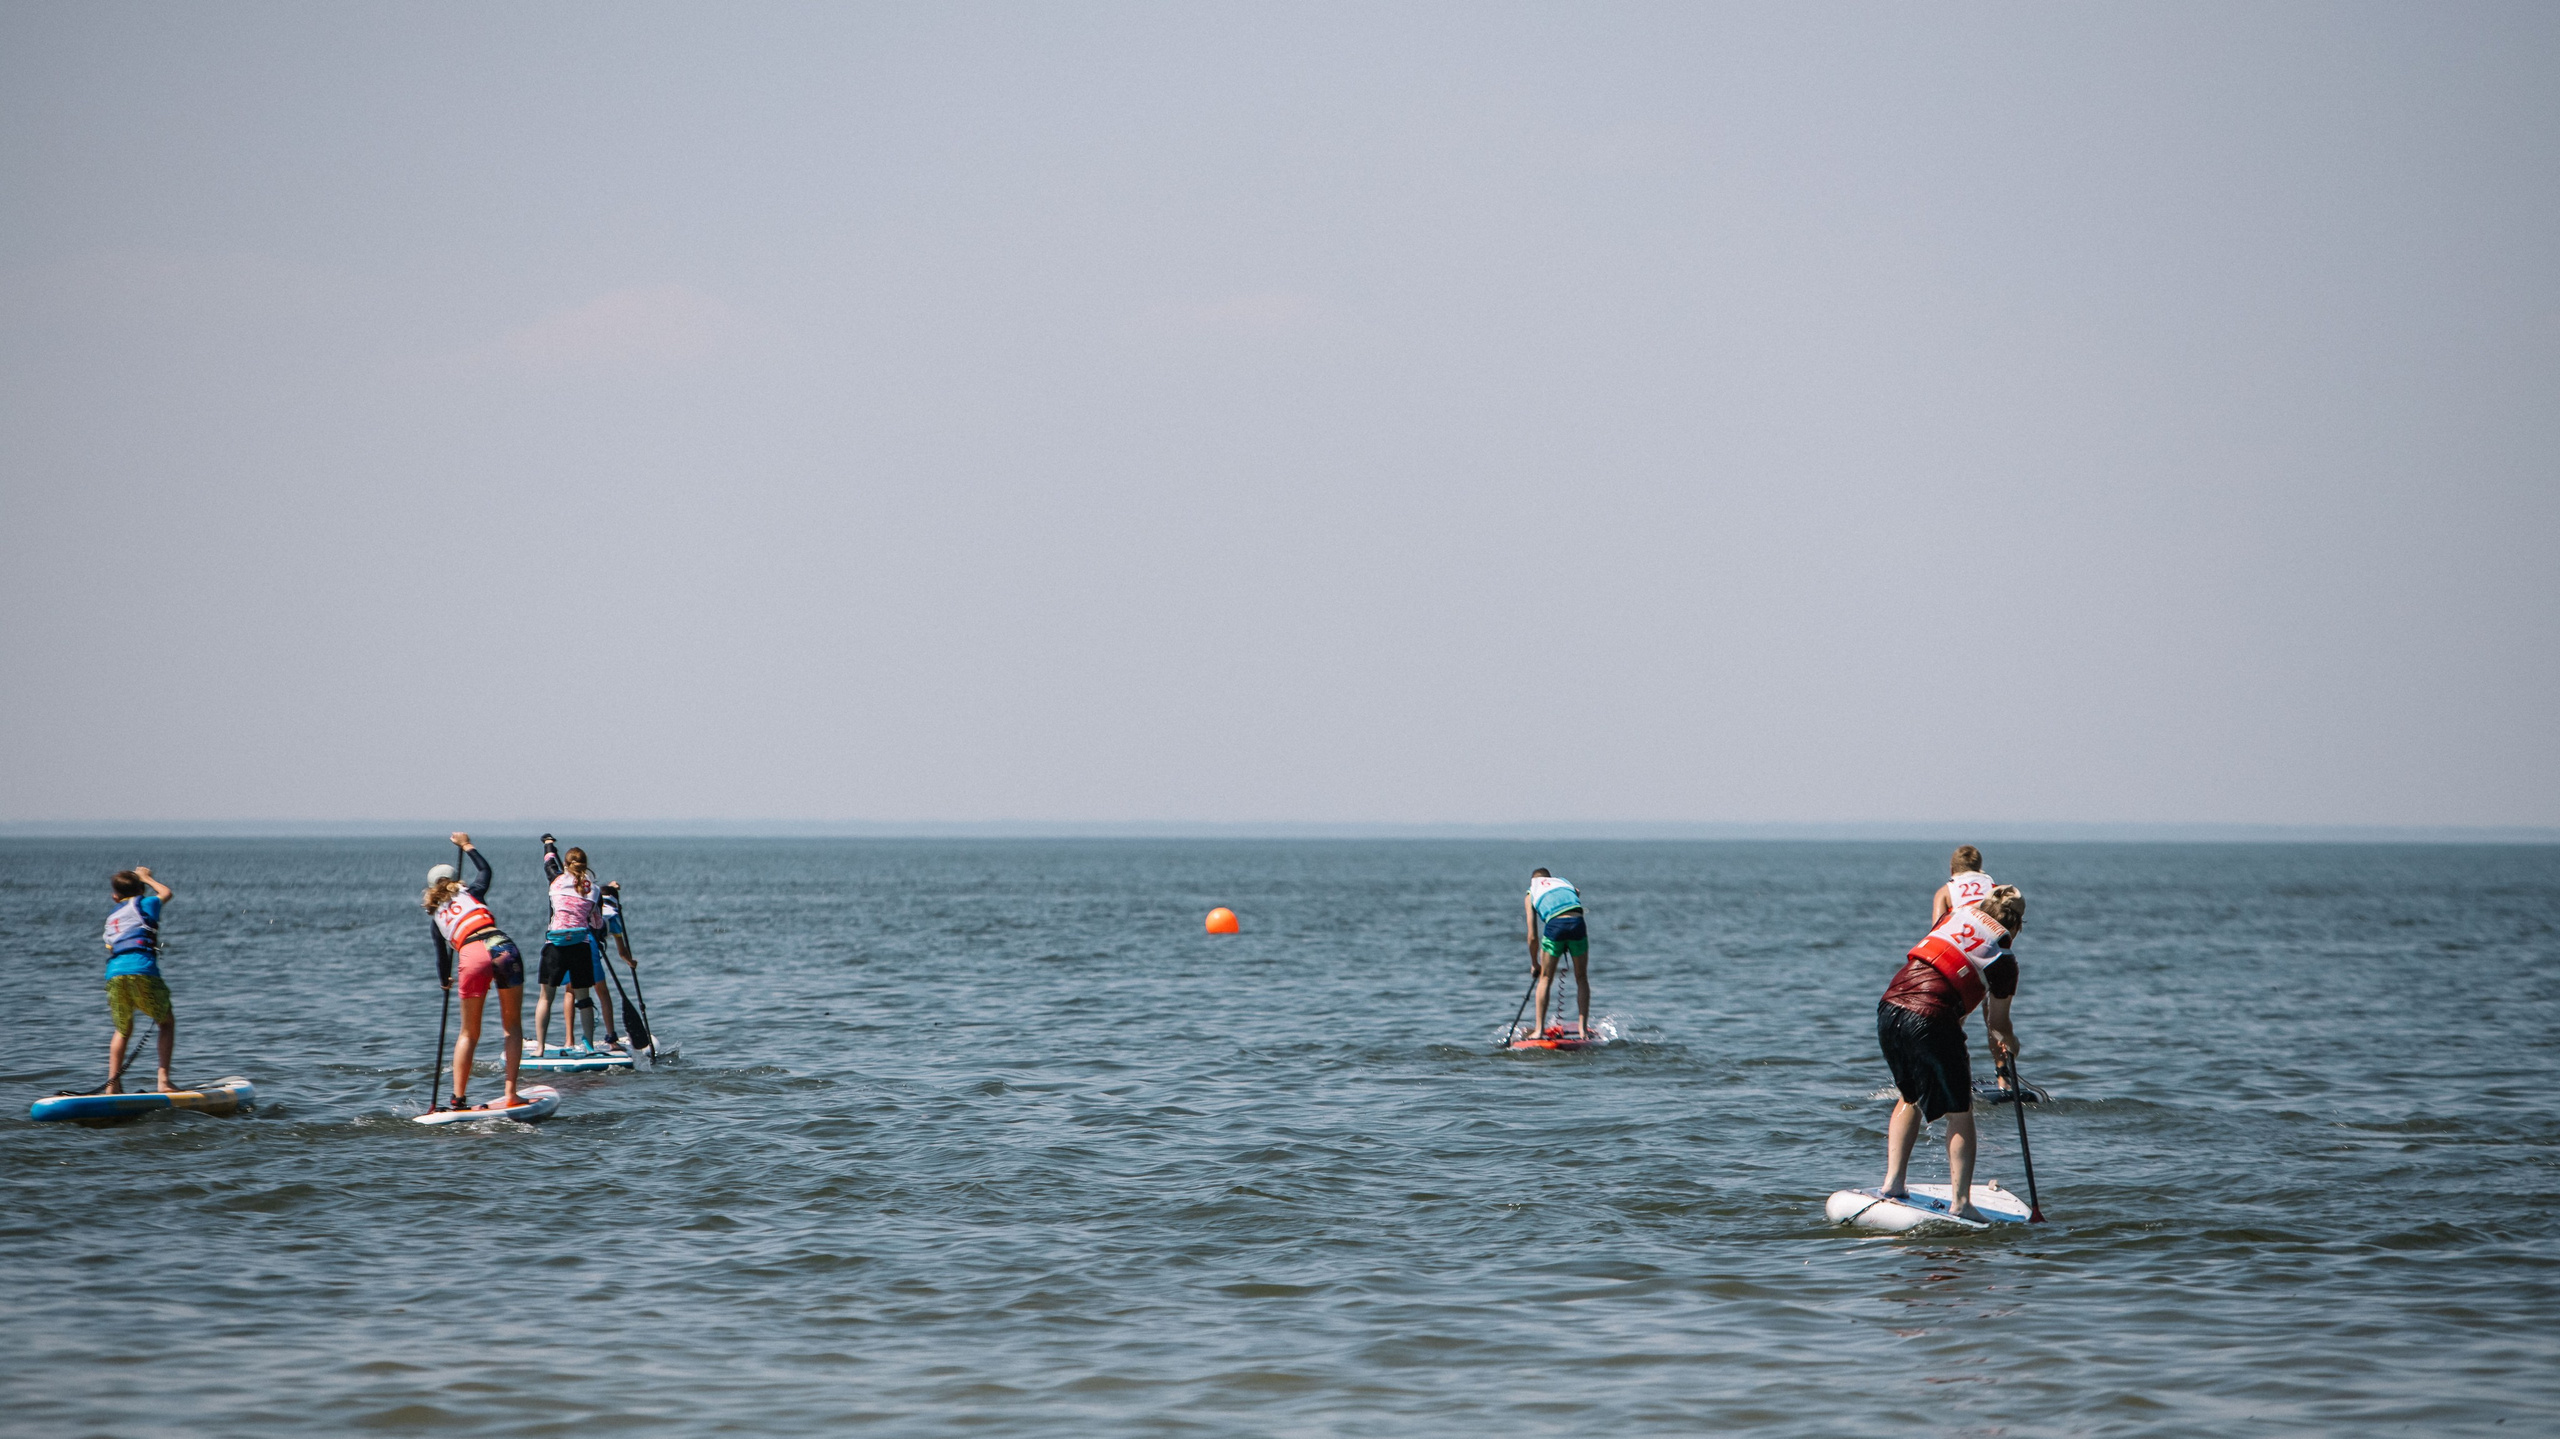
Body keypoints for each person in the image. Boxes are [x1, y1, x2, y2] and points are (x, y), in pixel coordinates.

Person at [1877, 883, 2025, 1221]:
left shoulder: (1952, 916)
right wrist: (2011, 1042)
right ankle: (1962, 1203)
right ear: (2016, 926)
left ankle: (1893, 1184)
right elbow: (1999, 1023)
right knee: (1961, 1111)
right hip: (1931, 1018)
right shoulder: (2004, 959)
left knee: (1910, 1095)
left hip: (1889, 1008)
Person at [425, 832, 526, 1110]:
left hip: (471, 954)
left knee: (468, 1033)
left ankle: (458, 1100)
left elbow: (441, 959)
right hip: (502, 945)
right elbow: (485, 870)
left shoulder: (436, 918)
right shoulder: (471, 892)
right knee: (512, 1026)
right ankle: (512, 1094)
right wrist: (466, 845)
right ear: (455, 881)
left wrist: (444, 980)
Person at [533, 835, 616, 1056]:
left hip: (555, 945)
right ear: (586, 866)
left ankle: (540, 1047)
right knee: (584, 998)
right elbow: (596, 922)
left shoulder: (555, 881)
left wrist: (548, 843)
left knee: (546, 998)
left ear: (566, 865)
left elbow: (549, 861)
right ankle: (589, 1045)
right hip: (580, 945)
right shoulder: (595, 890)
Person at [101, 867, 176, 1094]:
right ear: (141, 890)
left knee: (123, 1030)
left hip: (114, 975)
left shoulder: (112, 918)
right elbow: (166, 892)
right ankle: (163, 1081)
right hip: (142, 971)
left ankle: (112, 1086)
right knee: (166, 1023)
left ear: (115, 897)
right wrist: (146, 877)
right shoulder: (145, 904)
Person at [1521, 868, 1592, 1041]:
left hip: (1555, 926)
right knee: (1581, 977)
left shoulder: (1532, 892)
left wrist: (1534, 963)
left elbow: (1532, 936)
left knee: (1545, 978)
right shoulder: (1563, 881)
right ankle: (1583, 1030)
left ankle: (1539, 1030)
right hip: (1577, 923)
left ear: (1533, 881)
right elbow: (1577, 893)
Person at [1929, 845, 1996, 927]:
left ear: (1952, 869)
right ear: (1979, 867)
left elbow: (1937, 928)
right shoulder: (1995, 889)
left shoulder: (1945, 892)